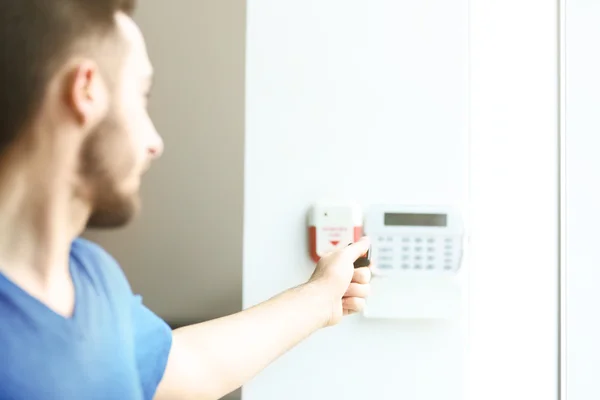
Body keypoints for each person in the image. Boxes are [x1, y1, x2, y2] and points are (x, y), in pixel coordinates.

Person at [0, 1, 372, 399]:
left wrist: (320, 299)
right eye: (142, 96)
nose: (154, 142)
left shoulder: (92, 277)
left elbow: (187, 365)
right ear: (85, 89)